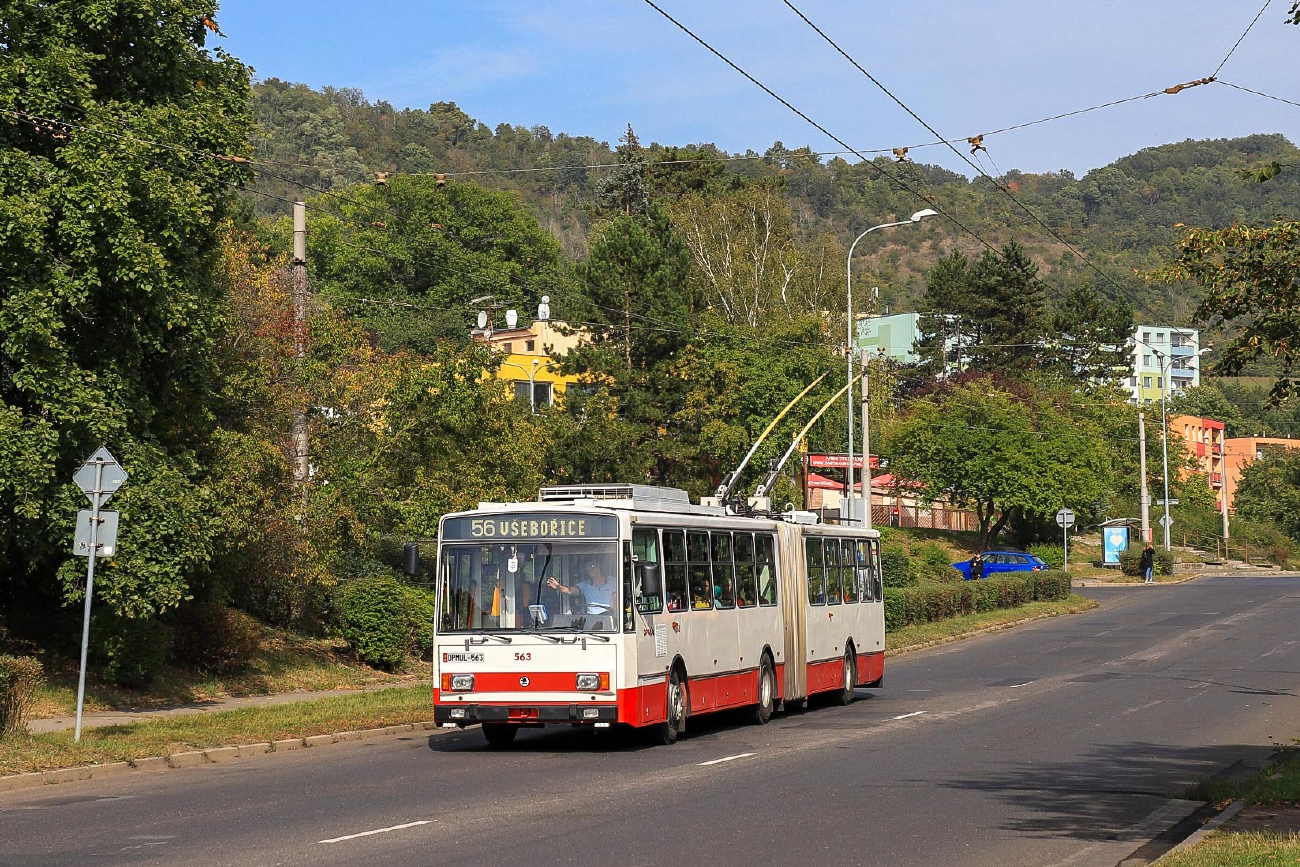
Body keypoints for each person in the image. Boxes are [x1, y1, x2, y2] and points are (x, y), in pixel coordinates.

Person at [547, 560, 615, 614]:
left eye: (593, 566)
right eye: (588, 567)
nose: (591, 569)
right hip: (592, 620)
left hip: (610, 619)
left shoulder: (614, 581)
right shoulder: (585, 584)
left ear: (600, 566)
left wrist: (609, 614)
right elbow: (570, 591)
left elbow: (617, 602)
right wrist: (558, 587)